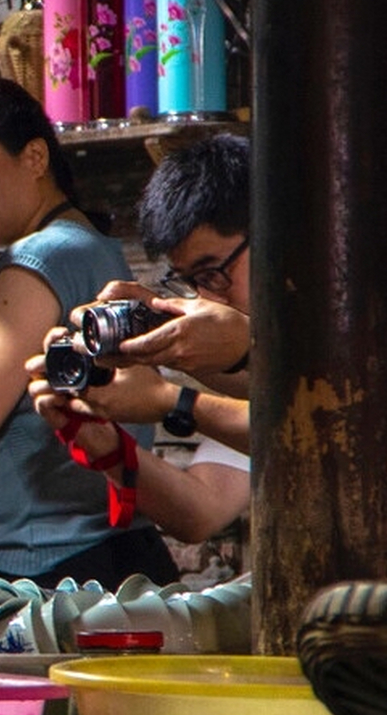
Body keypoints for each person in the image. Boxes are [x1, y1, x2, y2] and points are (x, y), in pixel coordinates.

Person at [0, 76, 177, 588]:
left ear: (35, 157)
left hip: (49, 569)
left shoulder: (37, 261)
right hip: (100, 556)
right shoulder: (82, 245)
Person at [25, 134, 255, 544]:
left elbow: (325, 423)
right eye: (191, 283)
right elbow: (201, 511)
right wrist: (105, 445)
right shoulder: (252, 381)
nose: (207, 299)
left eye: (212, 274)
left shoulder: (374, 316)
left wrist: (171, 401)